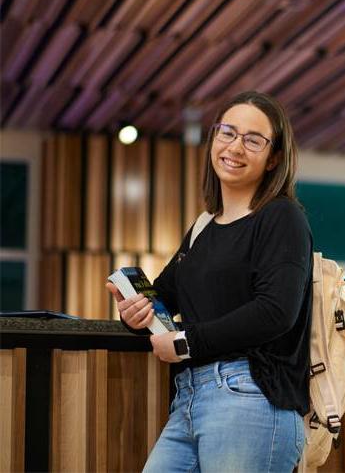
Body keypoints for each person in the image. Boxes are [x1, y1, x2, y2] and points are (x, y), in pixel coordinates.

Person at [106, 91, 312, 472]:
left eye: (253, 140)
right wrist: (134, 314)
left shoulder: (282, 217)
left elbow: (275, 312)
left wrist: (185, 343)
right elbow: (163, 299)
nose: (235, 146)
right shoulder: (203, 226)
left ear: (275, 158)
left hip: (252, 397)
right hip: (189, 397)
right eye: (227, 132)